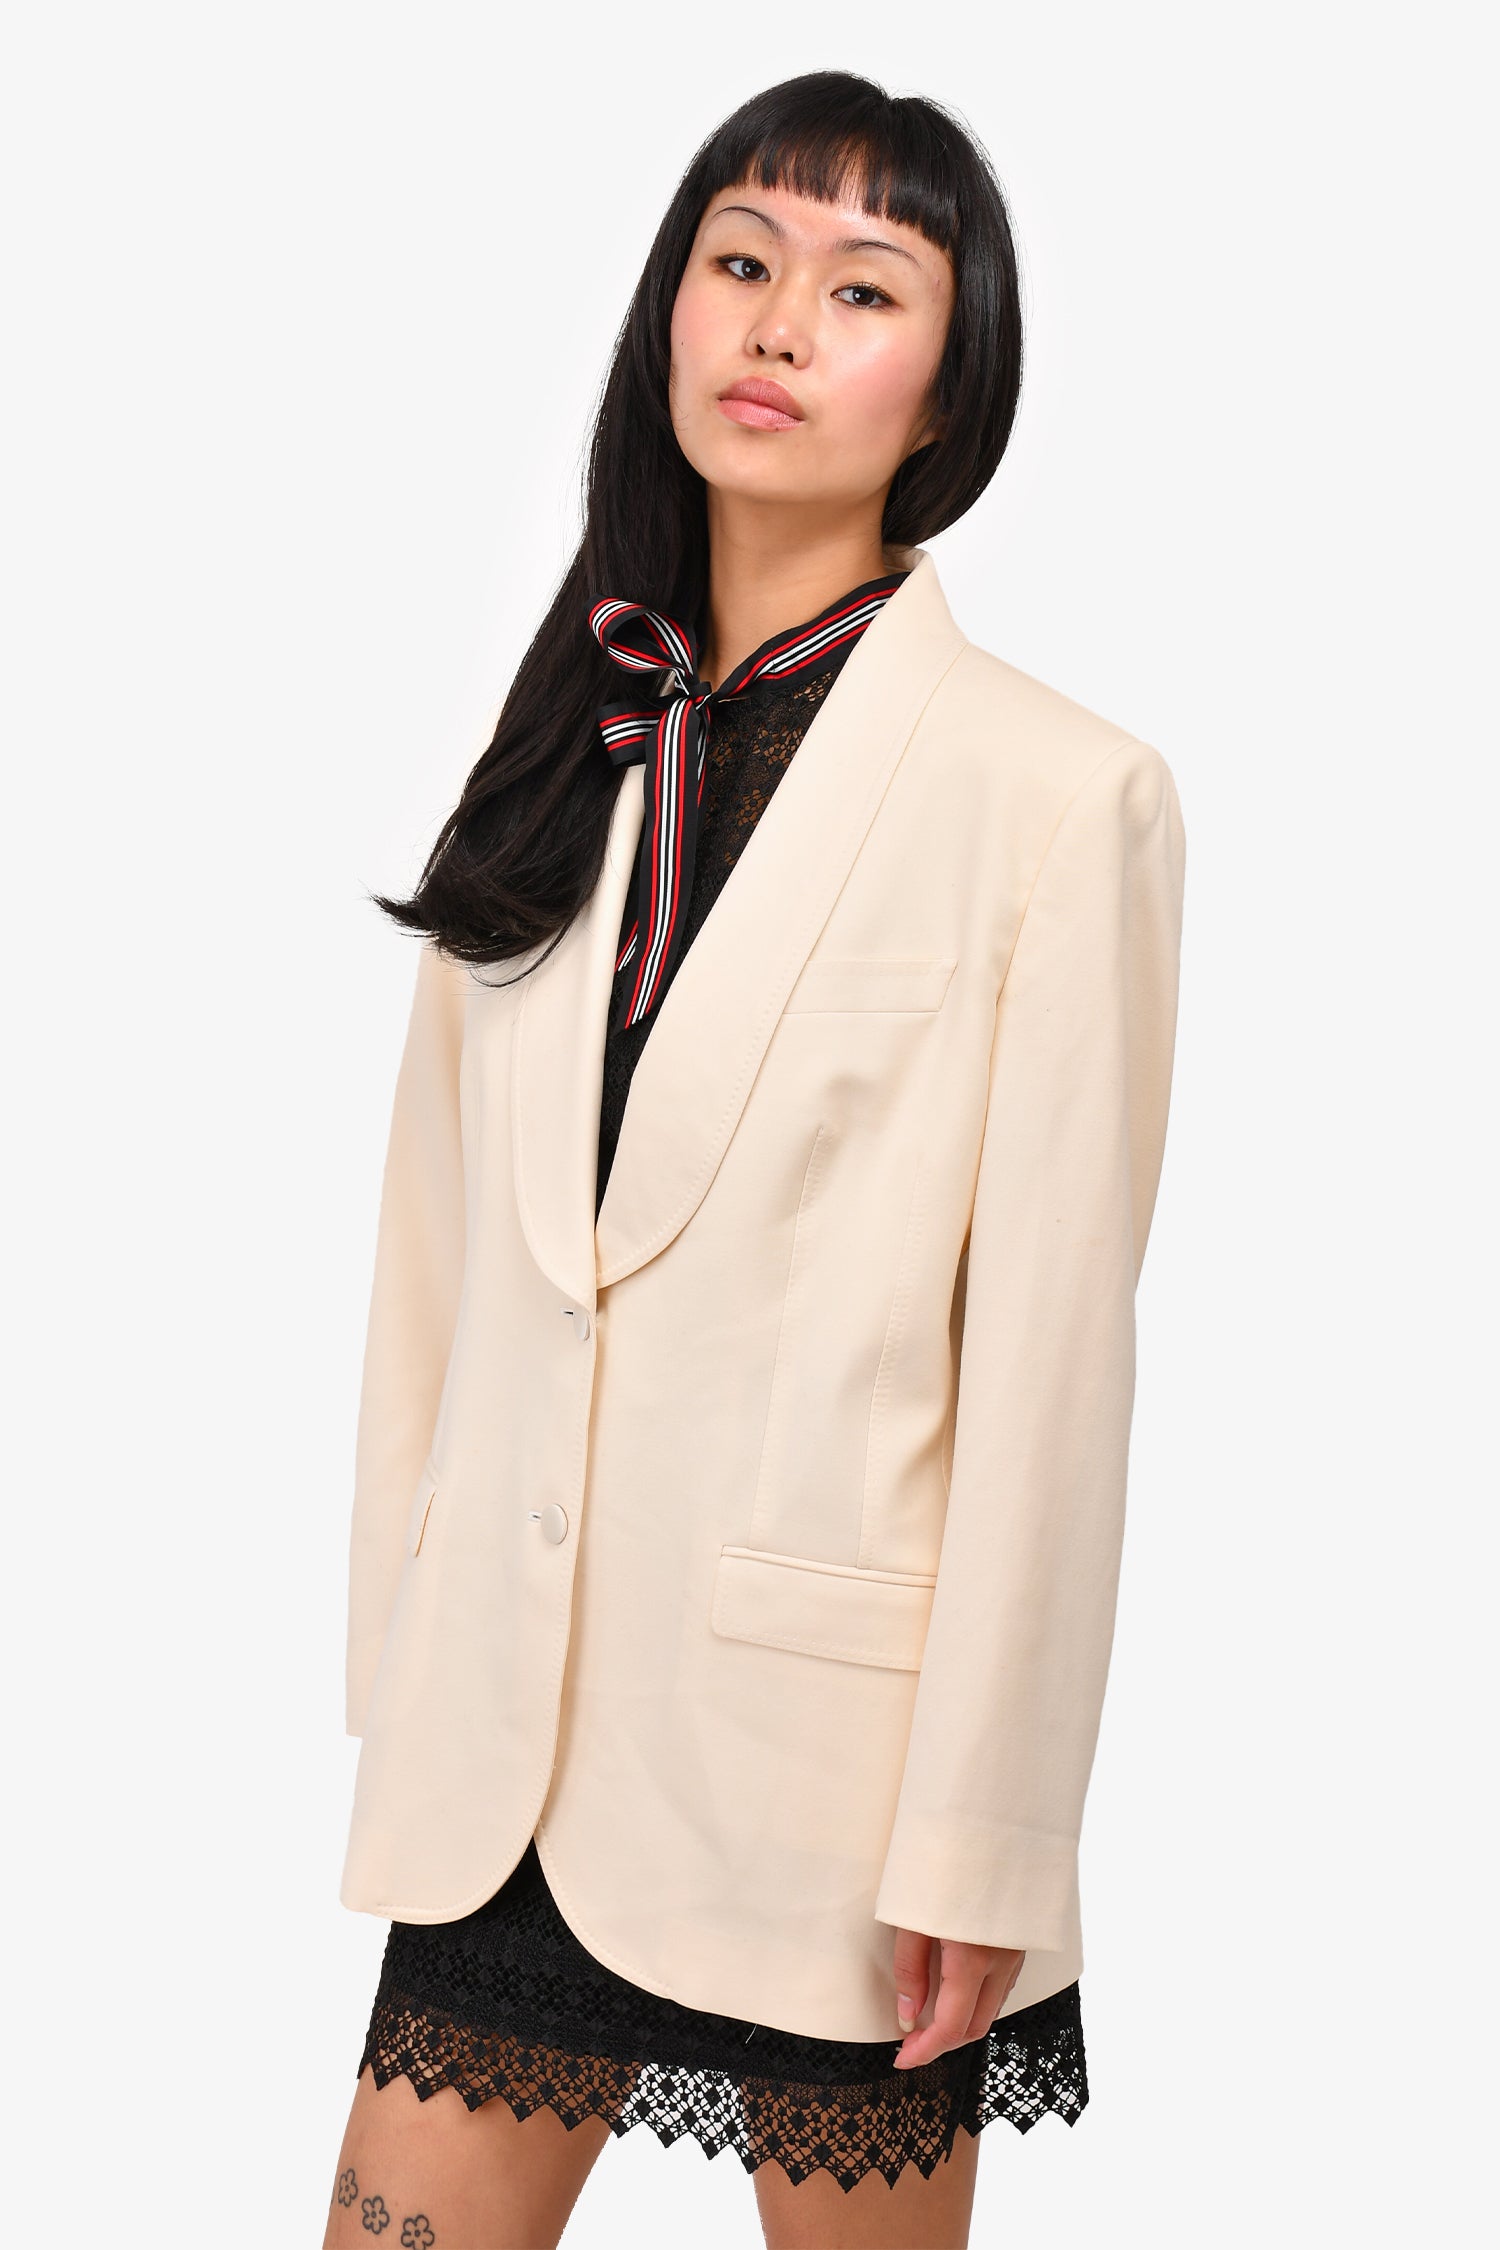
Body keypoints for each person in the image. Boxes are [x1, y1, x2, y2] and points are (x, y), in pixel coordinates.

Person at [324, 69, 1186, 2250]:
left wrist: (990, 1831)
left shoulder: (1060, 797)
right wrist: (404, 1662)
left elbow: (1054, 1364)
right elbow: (436, 1258)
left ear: (950, 390)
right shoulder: (561, 741)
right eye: (740, 261)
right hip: (508, 1763)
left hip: (842, 1803)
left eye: (863, 286)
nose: (781, 320)